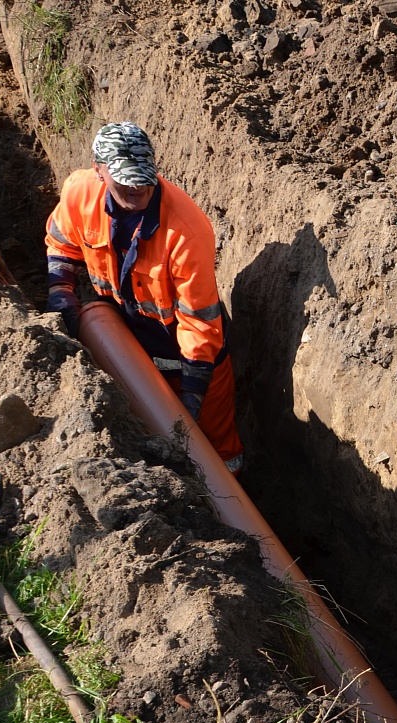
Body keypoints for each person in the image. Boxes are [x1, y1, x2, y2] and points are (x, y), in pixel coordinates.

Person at [45, 122, 244, 473]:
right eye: (126, 181)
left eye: (143, 179)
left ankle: (238, 498)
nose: (138, 188)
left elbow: (198, 321)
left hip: (191, 356)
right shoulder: (80, 194)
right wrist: (61, 293)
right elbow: (62, 244)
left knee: (217, 450)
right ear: (99, 170)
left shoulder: (186, 231)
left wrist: (192, 395)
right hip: (129, 344)